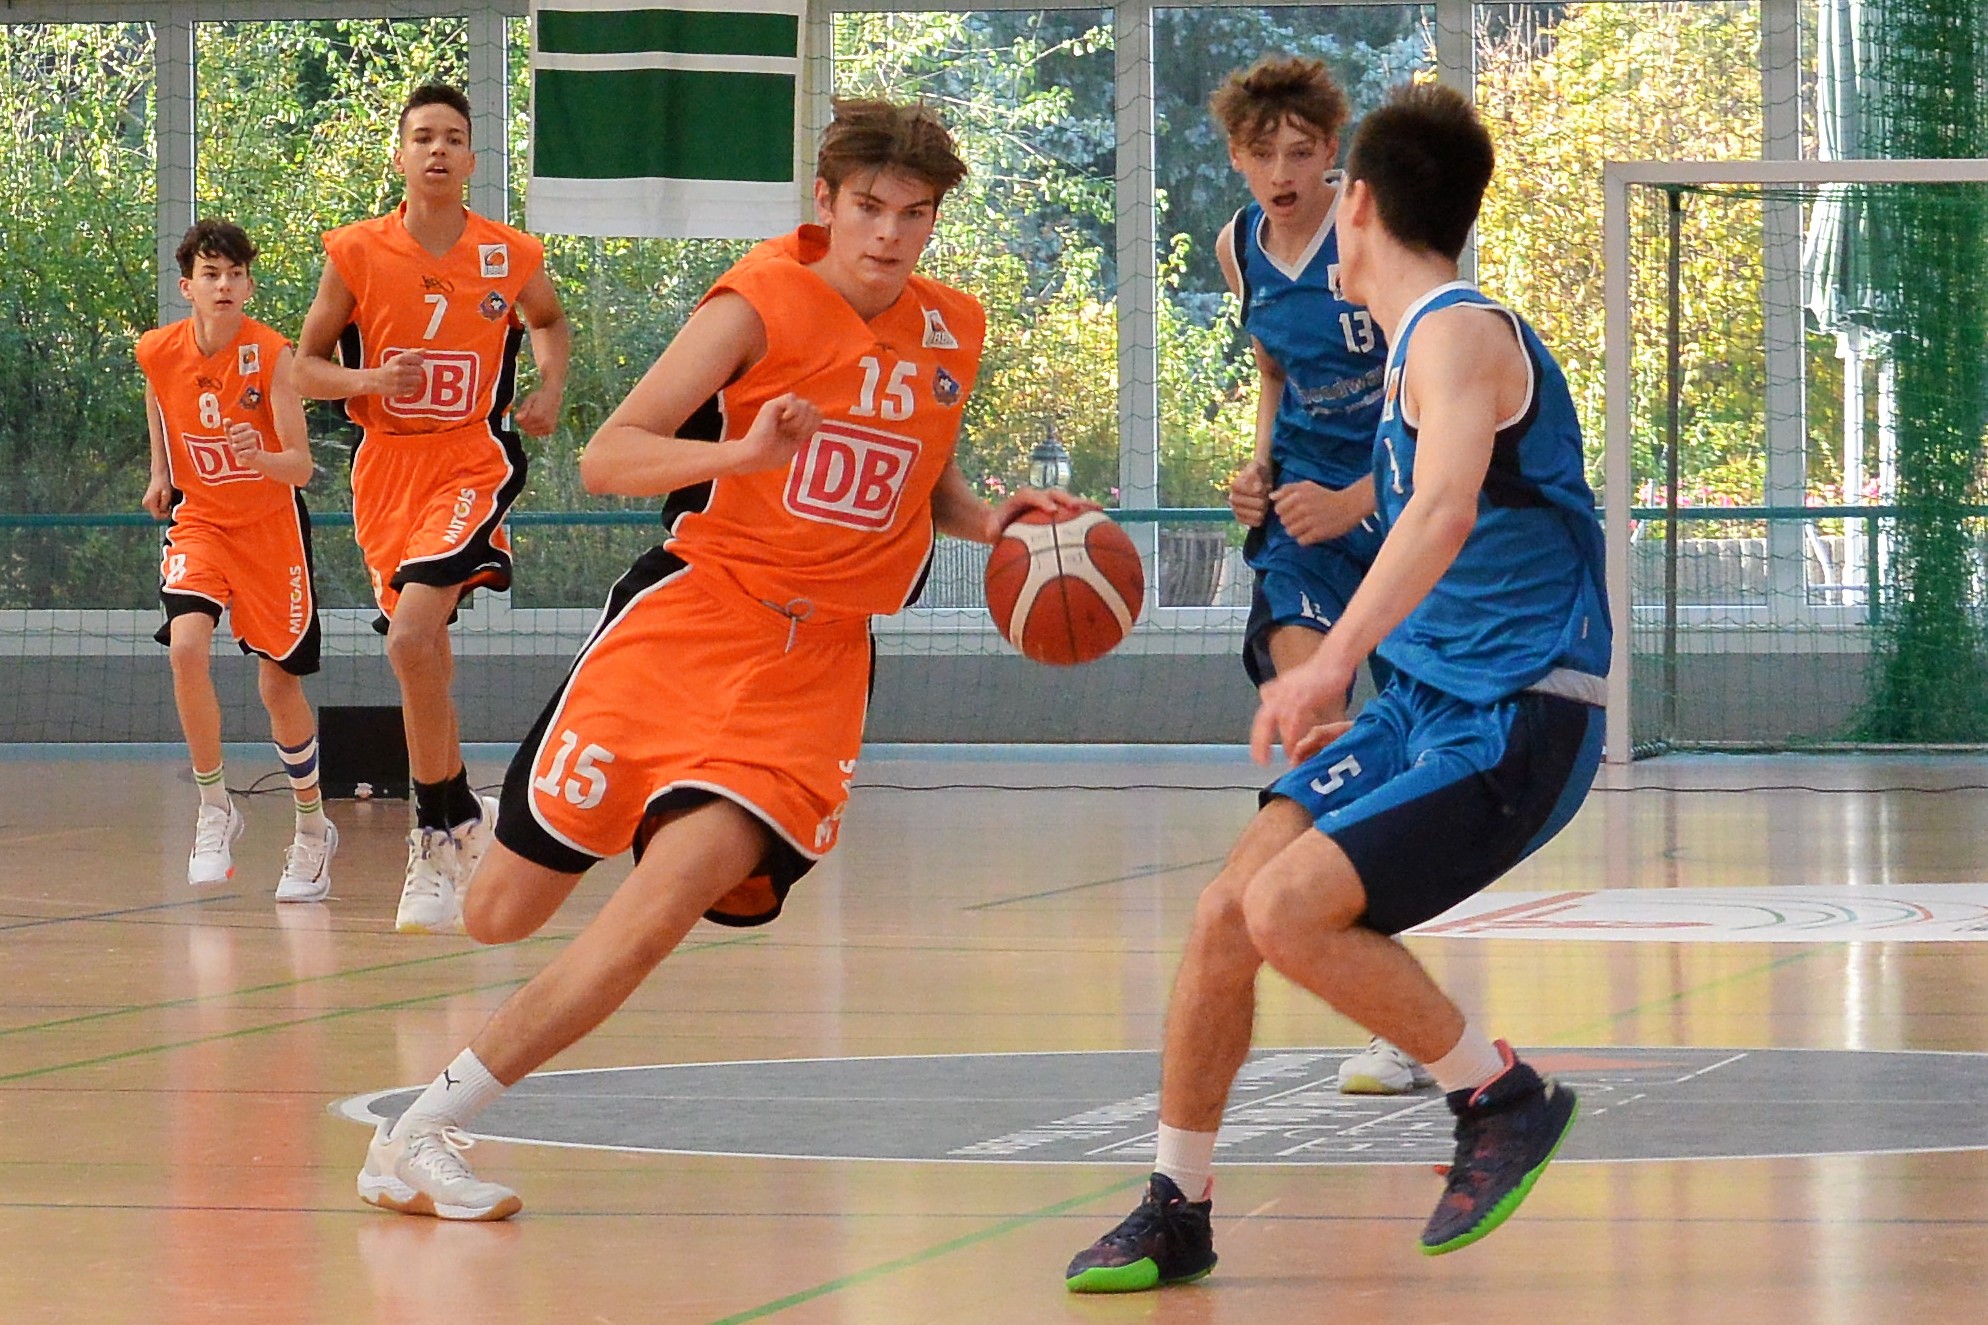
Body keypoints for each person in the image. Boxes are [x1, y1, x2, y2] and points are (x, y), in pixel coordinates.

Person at [355, 98, 1091, 1221]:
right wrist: (741, 450)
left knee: (662, 904)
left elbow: (920, 473)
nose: (889, 233)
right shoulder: (758, 301)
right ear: (825, 202)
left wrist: (994, 522)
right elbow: (608, 457)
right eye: (870, 207)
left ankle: (421, 1130)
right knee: (499, 912)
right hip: (691, 623)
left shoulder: (953, 327)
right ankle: (468, 818)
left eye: (914, 214)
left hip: (815, 668)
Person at [1064, 81, 1610, 1292]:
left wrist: (1326, 664)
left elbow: (1442, 509)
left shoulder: (1460, 333)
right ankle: (1177, 1203)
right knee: (1226, 911)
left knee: (1287, 909)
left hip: (1516, 711)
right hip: (1422, 704)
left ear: (1353, 202)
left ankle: (1500, 1095)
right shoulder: (1407, 342)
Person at [294, 82, 572, 934]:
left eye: (452, 136)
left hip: (471, 458)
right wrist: (368, 379)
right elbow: (302, 368)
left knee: (411, 638)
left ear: (472, 159)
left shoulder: (508, 253)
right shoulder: (356, 251)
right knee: (425, 655)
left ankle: (429, 833)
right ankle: (459, 812)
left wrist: (550, 385)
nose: (438, 149)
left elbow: (549, 320)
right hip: (387, 469)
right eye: (423, 137)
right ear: (400, 156)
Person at [1212, 55, 1428, 1099]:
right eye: (1263, 154)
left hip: (1396, 510)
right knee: (1316, 733)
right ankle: (1362, 998)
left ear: (1332, 154)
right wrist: (1258, 466)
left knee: (1398, 757)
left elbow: (1431, 389)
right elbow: (1273, 369)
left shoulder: (1373, 233)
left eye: (1301, 152)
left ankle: (1374, 971)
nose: (1282, 172)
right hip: (1302, 525)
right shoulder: (1238, 247)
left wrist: (1357, 497)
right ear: (1237, 157)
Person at [139, 219, 334, 901]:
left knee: (278, 689)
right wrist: (161, 470)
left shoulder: (273, 355)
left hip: (270, 532)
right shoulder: (158, 349)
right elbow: (157, 395)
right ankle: (214, 806)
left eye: (235, 274)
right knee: (186, 648)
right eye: (211, 274)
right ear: (187, 286)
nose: (224, 285)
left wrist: (261, 456)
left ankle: (312, 828)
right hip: (202, 524)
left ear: (248, 285)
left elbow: (302, 467)